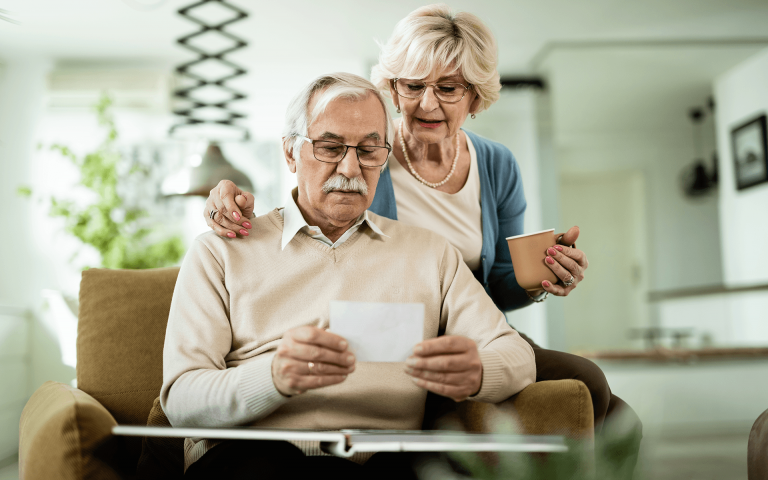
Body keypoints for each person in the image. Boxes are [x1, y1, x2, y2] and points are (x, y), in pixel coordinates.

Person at [200, 3, 642, 456]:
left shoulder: (496, 164)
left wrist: (543, 276)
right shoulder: (367, 152)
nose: (427, 104)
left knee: (609, 404)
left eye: (448, 88)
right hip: (391, 333)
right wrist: (227, 199)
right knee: (587, 387)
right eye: (412, 86)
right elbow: (305, 207)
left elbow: (501, 285)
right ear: (393, 88)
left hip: (467, 328)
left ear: (475, 95)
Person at [162, 72, 536, 479]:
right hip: (256, 457)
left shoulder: (431, 253)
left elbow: (517, 357)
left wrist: (479, 371)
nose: (351, 167)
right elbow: (181, 399)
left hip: (385, 463)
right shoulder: (220, 250)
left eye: (370, 150)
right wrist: (272, 376)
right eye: (330, 147)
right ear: (290, 153)